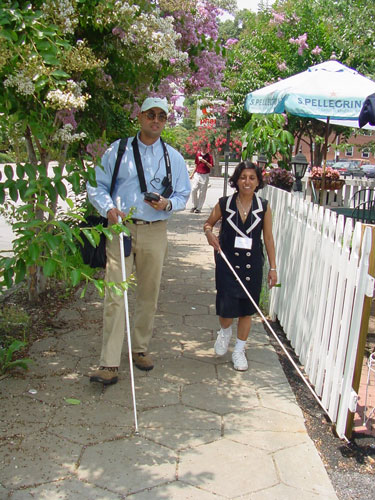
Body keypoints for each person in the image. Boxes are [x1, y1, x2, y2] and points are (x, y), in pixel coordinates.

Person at [87, 97, 191, 385]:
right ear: (140, 116)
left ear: (166, 120)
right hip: (121, 229)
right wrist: (108, 209)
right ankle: (109, 363)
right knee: (114, 293)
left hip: (155, 230)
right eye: (150, 114)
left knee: (149, 293)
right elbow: (95, 185)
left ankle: (140, 348)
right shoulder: (118, 150)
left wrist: (168, 204)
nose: (155, 120)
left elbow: (183, 193)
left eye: (161, 116)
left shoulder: (173, 157)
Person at [203, 160, 277, 371]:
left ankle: (239, 350)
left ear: (258, 181)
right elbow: (208, 223)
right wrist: (209, 233)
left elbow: (269, 239)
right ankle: (225, 332)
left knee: (246, 310)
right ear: (236, 180)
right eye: (243, 177)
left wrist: (273, 268)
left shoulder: (263, 207)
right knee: (226, 308)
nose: (247, 181)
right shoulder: (225, 203)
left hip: (251, 264)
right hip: (228, 262)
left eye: (252, 178)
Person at [190, 144, 213, 213]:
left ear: (206, 148)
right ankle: (195, 205)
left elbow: (211, 166)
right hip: (197, 174)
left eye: (204, 148)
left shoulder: (209, 156)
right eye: (202, 147)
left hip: (205, 175)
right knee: (193, 189)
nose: (203, 149)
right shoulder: (198, 155)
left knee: (202, 192)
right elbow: (196, 165)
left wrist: (205, 162)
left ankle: (199, 208)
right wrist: (192, 174)